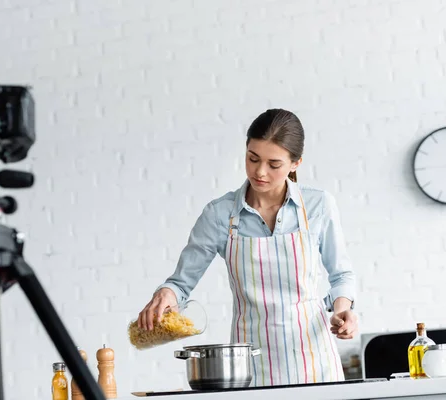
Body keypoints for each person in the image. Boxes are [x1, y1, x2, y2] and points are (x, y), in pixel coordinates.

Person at [137, 108, 357, 386]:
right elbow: (181, 284)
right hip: (250, 364)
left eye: (274, 164)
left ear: (295, 163)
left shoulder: (318, 206)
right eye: (252, 158)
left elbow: (341, 276)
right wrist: (167, 294)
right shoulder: (219, 215)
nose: (260, 171)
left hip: (314, 359)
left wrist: (341, 310)